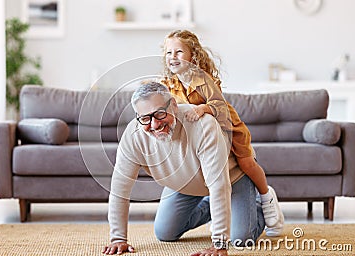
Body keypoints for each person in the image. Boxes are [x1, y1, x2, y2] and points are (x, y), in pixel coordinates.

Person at [102, 82, 266, 256]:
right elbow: (120, 189)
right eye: (145, 118)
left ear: (173, 105)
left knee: (241, 238)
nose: (155, 124)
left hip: (230, 180)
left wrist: (219, 243)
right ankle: (219, 208)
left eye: (160, 114)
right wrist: (118, 238)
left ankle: (257, 204)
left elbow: (219, 185)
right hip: (184, 183)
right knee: (165, 232)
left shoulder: (203, 124)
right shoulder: (133, 136)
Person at [160, 30, 284, 236]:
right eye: (168, 53)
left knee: (247, 162)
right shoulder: (168, 84)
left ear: (193, 56)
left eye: (179, 52)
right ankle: (215, 206)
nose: (173, 57)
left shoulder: (202, 80)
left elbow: (219, 105)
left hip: (229, 130)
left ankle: (265, 198)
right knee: (165, 233)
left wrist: (202, 109)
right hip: (195, 150)